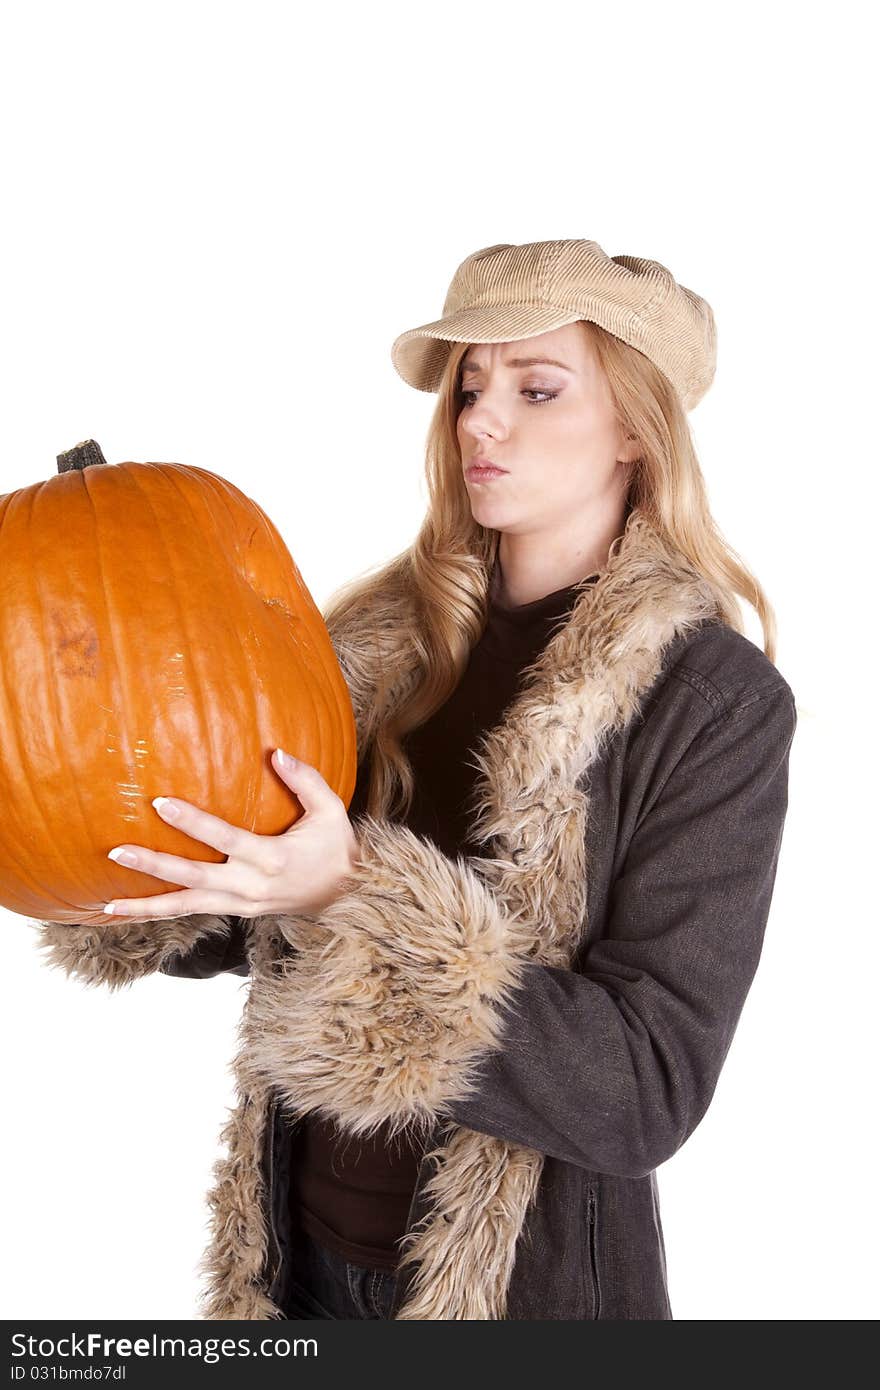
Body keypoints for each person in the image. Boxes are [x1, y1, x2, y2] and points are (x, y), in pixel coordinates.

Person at [33, 239, 797, 1320]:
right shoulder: (374, 648)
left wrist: (355, 892)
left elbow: (644, 1086)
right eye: (470, 388)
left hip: (523, 1293)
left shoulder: (710, 704)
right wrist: (81, 805)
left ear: (636, 426)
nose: (480, 419)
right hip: (294, 1260)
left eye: (536, 388)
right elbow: (240, 912)